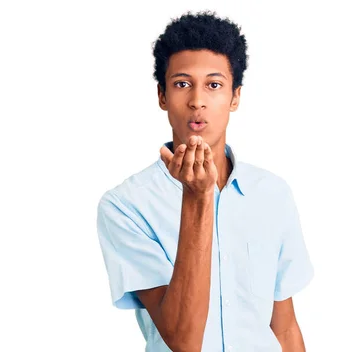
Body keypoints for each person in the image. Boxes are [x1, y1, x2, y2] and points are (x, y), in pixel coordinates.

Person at [96, 10, 314, 352]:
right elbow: (183, 341)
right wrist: (197, 200)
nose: (197, 100)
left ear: (235, 97)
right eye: (182, 83)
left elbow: (284, 329)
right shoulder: (126, 205)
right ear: (162, 96)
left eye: (214, 85)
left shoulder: (272, 194)